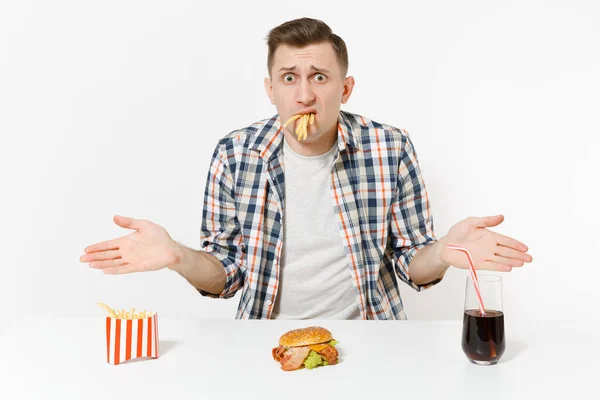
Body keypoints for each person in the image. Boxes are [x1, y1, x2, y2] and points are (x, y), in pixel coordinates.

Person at [80, 18, 532, 320]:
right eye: (289, 78)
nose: (304, 95)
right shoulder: (235, 154)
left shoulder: (390, 147)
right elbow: (228, 274)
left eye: (319, 76)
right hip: (262, 342)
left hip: (374, 340)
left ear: (346, 88)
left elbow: (411, 261)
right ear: (270, 89)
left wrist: (443, 252)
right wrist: (179, 257)